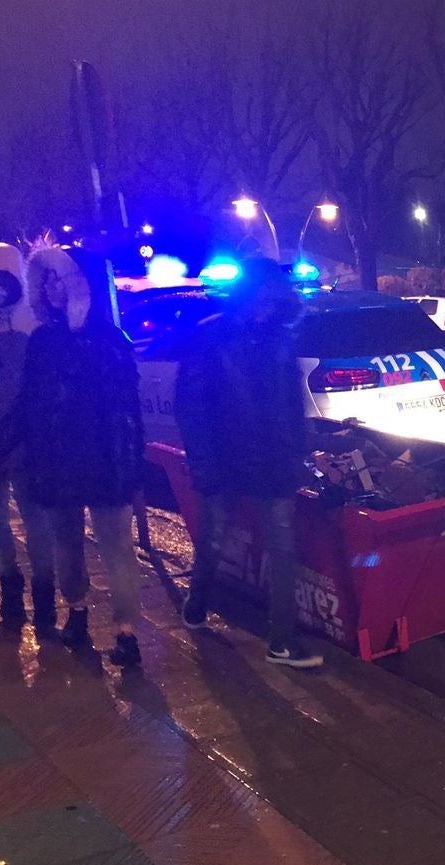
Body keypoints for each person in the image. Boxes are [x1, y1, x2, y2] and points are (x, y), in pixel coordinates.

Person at [0, 247, 145, 667]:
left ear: (80, 283)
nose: (54, 288)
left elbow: (128, 410)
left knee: (116, 550)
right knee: (67, 548)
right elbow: (29, 402)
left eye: (61, 279)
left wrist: (132, 465)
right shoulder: (44, 340)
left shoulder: (108, 339)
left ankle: (126, 632)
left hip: (104, 461)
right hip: (58, 462)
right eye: (47, 280)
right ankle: (77, 612)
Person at [175, 257, 322, 669]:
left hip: (274, 462)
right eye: (260, 301)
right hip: (225, 461)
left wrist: (298, 451)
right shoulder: (212, 338)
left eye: (272, 302)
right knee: (213, 542)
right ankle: (197, 601)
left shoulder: (281, 340)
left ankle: (282, 641)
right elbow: (192, 407)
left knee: (282, 552)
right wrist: (202, 462)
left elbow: (291, 403)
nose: (265, 310)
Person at [0, 242, 56, 633]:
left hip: (29, 446)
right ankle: (10, 585)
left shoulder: (32, 325)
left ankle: (43, 593)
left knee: (38, 522)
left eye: (2, 279)